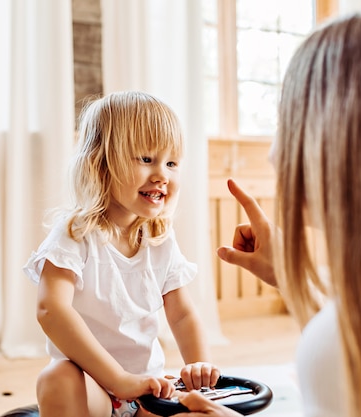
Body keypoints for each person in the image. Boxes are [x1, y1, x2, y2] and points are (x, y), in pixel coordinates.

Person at [172, 5, 361, 417]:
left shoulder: (342, 351)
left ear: (336, 144)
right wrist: (288, 274)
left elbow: (352, 353)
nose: (273, 155)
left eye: (284, 123)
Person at [23, 91, 220, 417]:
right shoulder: (75, 234)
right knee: (56, 378)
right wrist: (117, 380)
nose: (162, 175)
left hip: (148, 391)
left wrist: (201, 369)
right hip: (95, 388)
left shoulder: (160, 239)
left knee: (201, 410)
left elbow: (182, 314)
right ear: (99, 163)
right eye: (146, 159)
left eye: (171, 163)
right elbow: (50, 310)